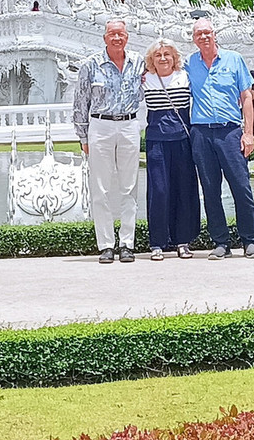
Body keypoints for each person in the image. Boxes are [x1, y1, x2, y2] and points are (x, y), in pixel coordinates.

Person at [186, 18, 254, 259]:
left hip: (230, 131)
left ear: (214, 34)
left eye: (207, 32)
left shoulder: (234, 59)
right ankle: (220, 242)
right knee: (210, 190)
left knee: (241, 186)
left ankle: (249, 240)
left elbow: (247, 97)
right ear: (194, 39)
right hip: (201, 132)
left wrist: (248, 133)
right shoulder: (189, 63)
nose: (203, 37)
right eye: (198, 34)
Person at [73, 19, 145, 264]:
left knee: (129, 186)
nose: (117, 38)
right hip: (100, 125)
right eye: (112, 34)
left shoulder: (138, 63)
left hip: (129, 124)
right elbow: (80, 102)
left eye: (120, 34)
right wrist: (83, 136)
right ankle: (105, 245)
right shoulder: (91, 64)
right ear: (105, 38)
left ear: (127, 37)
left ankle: (127, 243)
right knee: (100, 188)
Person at [143, 39, 200, 260]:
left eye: (167, 54)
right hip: (157, 141)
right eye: (158, 55)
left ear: (174, 57)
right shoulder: (145, 79)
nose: (163, 58)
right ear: (151, 59)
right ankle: (157, 242)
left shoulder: (184, 77)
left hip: (182, 140)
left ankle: (182, 241)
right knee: (159, 191)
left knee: (183, 189)